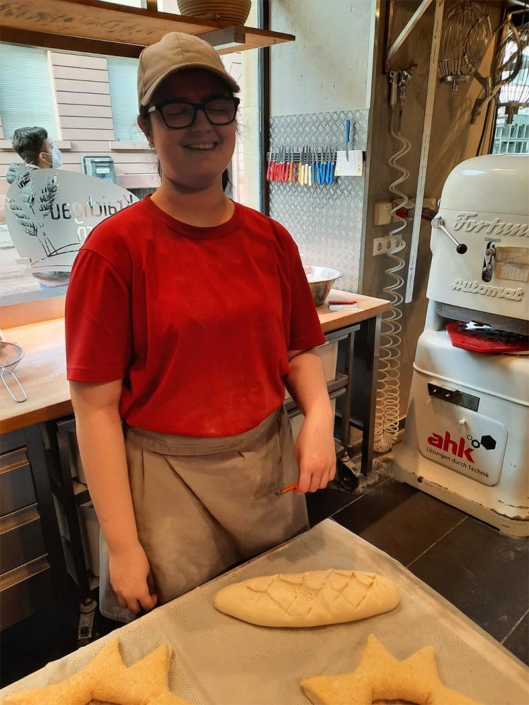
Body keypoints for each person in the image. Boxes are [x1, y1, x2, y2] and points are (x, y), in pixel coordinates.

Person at [65, 32, 336, 623]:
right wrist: (123, 546)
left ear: (234, 119)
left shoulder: (271, 240)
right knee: (187, 648)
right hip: (169, 487)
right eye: (177, 110)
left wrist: (318, 415)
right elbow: (94, 410)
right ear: (147, 127)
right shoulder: (114, 252)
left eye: (217, 106)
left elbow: (297, 346)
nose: (201, 126)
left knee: (281, 631)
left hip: (267, 468)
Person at [7, 126, 69, 288]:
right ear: (43, 156)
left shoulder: (21, 184)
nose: (56, 151)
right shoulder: (43, 187)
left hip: (44, 272)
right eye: (52, 146)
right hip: (60, 275)